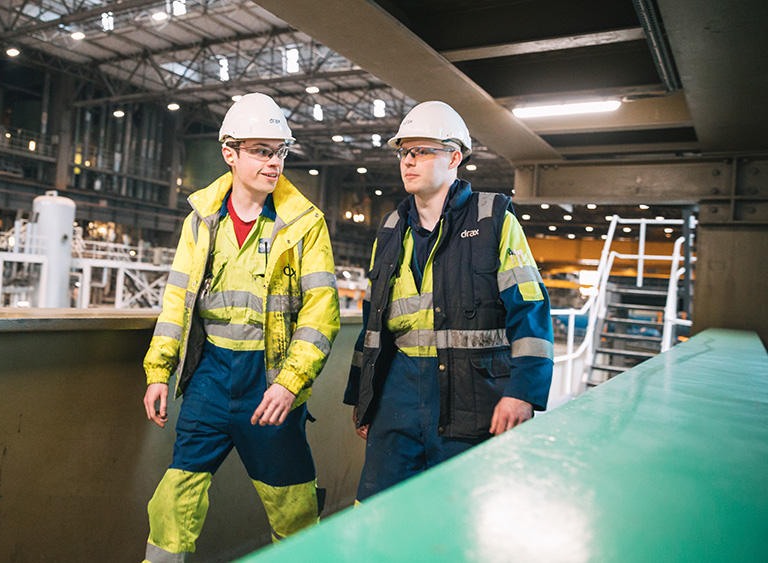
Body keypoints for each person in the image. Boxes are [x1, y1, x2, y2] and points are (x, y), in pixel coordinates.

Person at [141, 93, 340, 562]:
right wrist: (158, 372)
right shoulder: (202, 221)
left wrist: (290, 384)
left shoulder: (304, 224)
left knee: (294, 510)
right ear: (229, 153)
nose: (274, 163)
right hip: (210, 377)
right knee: (174, 499)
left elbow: (320, 313)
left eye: (281, 152)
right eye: (261, 151)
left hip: (269, 383)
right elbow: (176, 302)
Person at [344, 101, 553, 502]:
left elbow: (530, 309)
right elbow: (373, 323)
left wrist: (523, 391)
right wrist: (363, 396)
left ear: (454, 157)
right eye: (404, 152)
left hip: (470, 400)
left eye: (422, 151)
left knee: (460, 515)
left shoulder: (492, 219)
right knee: (376, 511)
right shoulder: (391, 229)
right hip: (397, 397)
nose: (408, 161)